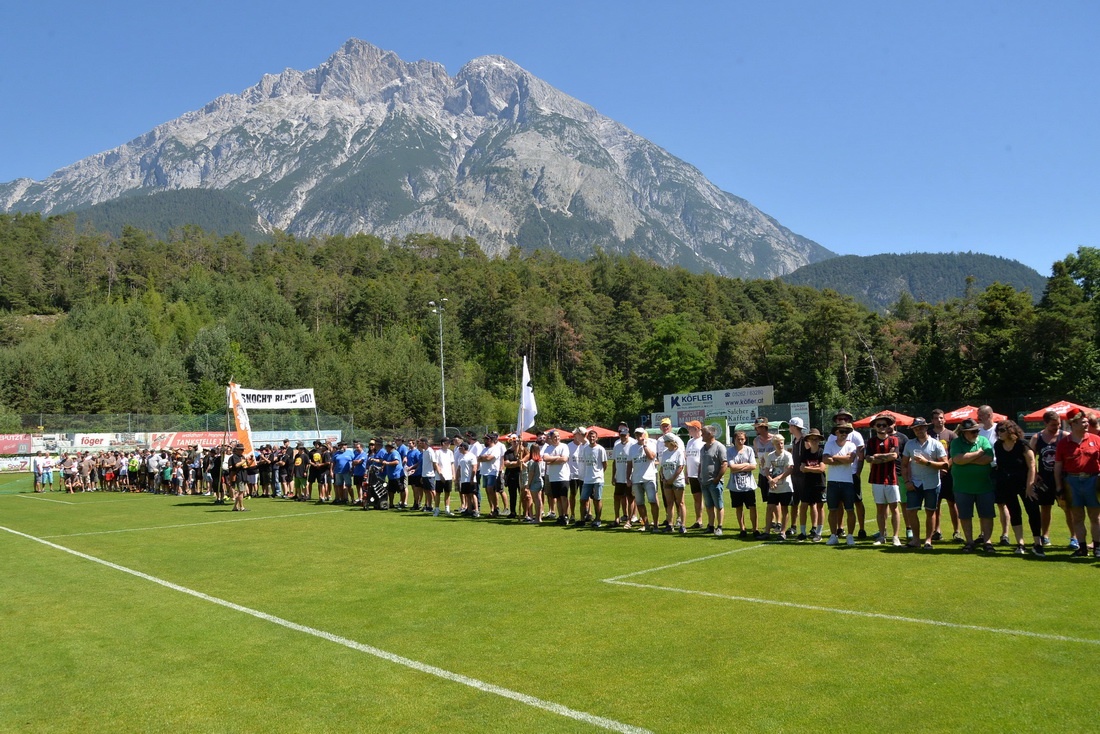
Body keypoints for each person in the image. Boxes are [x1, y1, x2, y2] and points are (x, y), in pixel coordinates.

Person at [1054, 407, 1100, 559]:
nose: (1086, 425)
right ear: (1073, 424)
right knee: (1077, 517)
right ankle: (1082, 548)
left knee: (1095, 517)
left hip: (1093, 480)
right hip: (1071, 482)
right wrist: (1059, 487)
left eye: (1087, 422)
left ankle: (1097, 547)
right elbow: (1058, 465)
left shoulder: (1096, 440)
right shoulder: (1063, 443)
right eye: (1082, 422)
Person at [993, 420, 1041, 556]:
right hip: (1007, 484)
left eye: (1002, 430)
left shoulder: (1022, 444)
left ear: (1010, 431)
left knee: (1033, 511)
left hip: (1025, 483)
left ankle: (1037, 543)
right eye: (998, 431)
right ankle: (1020, 543)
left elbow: (1032, 465)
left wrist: (1030, 486)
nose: (999, 433)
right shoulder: (998, 445)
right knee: (1014, 512)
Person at [901, 418, 949, 549]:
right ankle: (916, 540)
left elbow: (945, 464)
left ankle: (928, 540)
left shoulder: (936, 444)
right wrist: (907, 481)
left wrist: (927, 463)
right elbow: (904, 465)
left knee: (930, 512)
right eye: (916, 428)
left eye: (921, 427)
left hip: (932, 483)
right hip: (915, 483)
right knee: (911, 511)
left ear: (926, 428)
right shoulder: (910, 444)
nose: (918, 430)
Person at [950, 419, 996, 552]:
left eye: (977, 430)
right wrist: (978, 454)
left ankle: (987, 542)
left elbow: (988, 458)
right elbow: (957, 460)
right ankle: (969, 542)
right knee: (965, 515)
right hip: (962, 487)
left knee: (987, 515)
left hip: (984, 486)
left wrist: (967, 459)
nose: (976, 433)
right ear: (964, 433)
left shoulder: (983, 441)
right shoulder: (956, 442)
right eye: (972, 431)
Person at [1029, 410, 1073, 549]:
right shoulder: (1037, 438)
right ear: (1045, 423)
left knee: (1068, 508)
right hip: (1045, 479)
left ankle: (1074, 537)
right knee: (1045, 508)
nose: (1057, 427)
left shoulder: (1065, 436)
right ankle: (1045, 536)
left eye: (1059, 424)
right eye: (1053, 425)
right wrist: (1035, 474)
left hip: (1063, 479)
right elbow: (1030, 458)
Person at [866, 414, 902, 547]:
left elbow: (894, 456)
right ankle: (882, 536)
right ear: (875, 427)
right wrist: (884, 456)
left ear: (888, 427)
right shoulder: (871, 442)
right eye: (879, 425)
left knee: (894, 508)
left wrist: (877, 456)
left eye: (884, 425)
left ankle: (895, 537)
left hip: (891, 479)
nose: (881, 427)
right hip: (876, 479)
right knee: (880, 509)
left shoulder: (893, 440)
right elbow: (869, 459)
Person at [823, 422, 859, 546]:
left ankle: (850, 536)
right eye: (841, 431)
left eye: (846, 432)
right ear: (836, 433)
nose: (844, 434)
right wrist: (841, 459)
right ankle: (833, 536)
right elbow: (825, 460)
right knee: (832, 510)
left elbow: (850, 459)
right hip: (833, 482)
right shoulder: (830, 443)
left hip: (847, 482)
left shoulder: (851, 445)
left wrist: (834, 457)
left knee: (850, 510)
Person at [928, 408, 960, 541]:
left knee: (953, 503)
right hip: (932, 474)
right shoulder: (928, 434)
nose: (939, 420)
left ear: (945, 419)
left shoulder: (951, 435)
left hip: (949, 475)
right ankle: (937, 530)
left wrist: (946, 466)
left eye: (941, 417)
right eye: (936, 418)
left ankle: (957, 531)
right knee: (936, 504)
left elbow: (954, 453)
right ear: (932, 421)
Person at [762, 434, 794, 540]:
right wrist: (770, 480)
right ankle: (767, 532)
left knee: (784, 508)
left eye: (781, 443)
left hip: (785, 487)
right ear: (774, 444)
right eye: (778, 443)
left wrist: (777, 478)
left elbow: (789, 470)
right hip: (773, 487)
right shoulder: (771, 455)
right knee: (770, 507)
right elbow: (766, 470)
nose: (780, 445)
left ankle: (783, 532)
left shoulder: (787, 455)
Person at [797, 429, 827, 542]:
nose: (814, 441)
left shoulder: (822, 452)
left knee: (820, 507)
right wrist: (813, 468)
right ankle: (803, 532)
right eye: (812, 438)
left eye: (816, 438)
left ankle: (818, 533)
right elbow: (801, 468)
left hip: (820, 484)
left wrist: (808, 469)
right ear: (808, 440)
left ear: (819, 440)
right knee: (803, 506)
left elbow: (821, 469)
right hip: (807, 483)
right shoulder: (805, 453)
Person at [726, 431, 758, 536]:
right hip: (735, 485)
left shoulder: (749, 450)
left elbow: (753, 466)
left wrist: (739, 467)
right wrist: (746, 464)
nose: (740, 441)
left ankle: (755, 529)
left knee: (752, 507)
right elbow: (732, 467)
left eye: (742, 439)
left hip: (749, 485)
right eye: (738, 439)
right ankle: (742, 529)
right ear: (734, 439)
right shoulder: (730, 451)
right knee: (739, 507)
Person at [698, 424, 728, 536]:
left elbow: (724, 463)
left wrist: (717, 478)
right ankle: (710, 526)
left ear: (710, 434)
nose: (701, 435)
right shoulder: (703, 448)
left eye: (703, 433)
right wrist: (699, 476)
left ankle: (719, 526)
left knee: (718, 505)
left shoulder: (719, 447)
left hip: (714, 482)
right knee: (709, 505)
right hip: (704, 481)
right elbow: (701, 463)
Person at [578, 429, 608, 528]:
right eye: (590, 436)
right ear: (587, 437)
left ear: (597, 438)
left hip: (598, 479)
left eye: (593, 436)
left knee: (597, 499)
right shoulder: (585, 449)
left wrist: (599, 474)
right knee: (583, 500)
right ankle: (582, 519)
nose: (592, 438)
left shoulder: (600, 449)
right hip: (587, 479)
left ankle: (598, 519)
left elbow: (605, 464)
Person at [543, 430, 572, 525]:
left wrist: (552, 460)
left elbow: (564, 459)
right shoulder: (548, 448)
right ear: (551, 438)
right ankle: (560, 516)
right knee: (557, 498)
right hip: (553, 477)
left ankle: (566, 515)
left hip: (563, 476)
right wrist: (557, 458)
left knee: (564, 497)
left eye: (558, 436)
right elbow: (545, 459)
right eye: (554, 436)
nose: (556, 438)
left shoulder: (564, 446)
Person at [659, 433, 686, 533]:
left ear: (670, 442)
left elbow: (680, 467)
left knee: (680, 503)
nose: (664, 443)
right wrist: (663, 476)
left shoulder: (679, 452)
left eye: (665, 441)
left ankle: (682, 525)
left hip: (677, 481)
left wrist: (672, 479)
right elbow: (662, 466)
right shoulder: (665, 452)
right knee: (669, 503)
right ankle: (670, 524)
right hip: (666, 481)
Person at [478, 433, 508, 517]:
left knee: (491, 490)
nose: (484, 441)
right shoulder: (485, 449)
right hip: (484, 472)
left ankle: (496, 508)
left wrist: (484, 457)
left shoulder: (495, 448)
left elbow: (489, 458)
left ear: (490, 440)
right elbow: (478, 458)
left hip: (492, 472)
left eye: (486, 439)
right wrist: (484, 457)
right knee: (488, 491)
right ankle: (492, 509)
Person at [611, 425, 636, 527]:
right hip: (619, 478)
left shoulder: (632, 445)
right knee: (617, 498)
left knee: (630, 499)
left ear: (628, 435)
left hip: (629, 478)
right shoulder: (616, 446)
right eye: (621, 435)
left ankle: (629, 520)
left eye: (625, 435)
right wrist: (613, 476)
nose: (623, 437)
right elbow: (614, 462)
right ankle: (617, 518)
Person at [683, 420, 705, 529]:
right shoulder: (690, 442)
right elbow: (688, 458)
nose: (688, 430)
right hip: (692, 474)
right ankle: (698, 520)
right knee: (697, 498)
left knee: (708, 499)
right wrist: (686, 474)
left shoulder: (703, 441)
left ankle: (712, 522)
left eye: (690, 428)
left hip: (702, 475)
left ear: (696, 429)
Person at [786, 417, 806, 537]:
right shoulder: (795, 440)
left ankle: (811, 528)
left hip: (804, 476)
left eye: (790, 426)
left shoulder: (805, 440)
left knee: (807, 503)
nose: (789, 428)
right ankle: (793, 526)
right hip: (795, 476)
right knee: (794, 503)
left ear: (794, 426)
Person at [566, 427, 586, 524]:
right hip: (573, 475)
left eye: (579, 434)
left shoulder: (585, 445)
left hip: (583, 475)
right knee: (573, 494)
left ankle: (587, 513)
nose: (577, 436)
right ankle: (572, 514)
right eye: (576, 434)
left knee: (585, 496)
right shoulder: (569, 446)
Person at [523, 442, 544, 524]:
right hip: (540, 480)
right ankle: (539, 518)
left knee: (537, 500)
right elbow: (527, 466)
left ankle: (538, 519)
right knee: (539, 500)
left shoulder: (532, 461)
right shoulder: (540, 460)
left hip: (535, 481)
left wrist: (528, 484)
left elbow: (531, 473)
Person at [435, 436, 456, 516]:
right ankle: (437, 509)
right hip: (439, 476)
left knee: (448, 493)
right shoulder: (438, 452)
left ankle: (447, 509)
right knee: (438, 493)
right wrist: (440, 474)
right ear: (443, 443)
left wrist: (453, 474)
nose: (449, 444)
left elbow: (452, 463)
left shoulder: (450, 452)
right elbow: (436, 464)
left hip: (448, 476)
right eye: (448, 443)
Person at [227, 444, 250, 512]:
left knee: (241, 492)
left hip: (243, 475)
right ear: (237, 450)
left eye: (243, 449)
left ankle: (235, 507)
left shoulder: (241, 456)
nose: (242, 451)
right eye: (241, 449)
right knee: (241, 492)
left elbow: (246, 465)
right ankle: (241, 507)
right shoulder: (235, 456)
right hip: (238, 475)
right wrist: (244, 460)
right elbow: (237, 465)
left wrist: (249, 461)